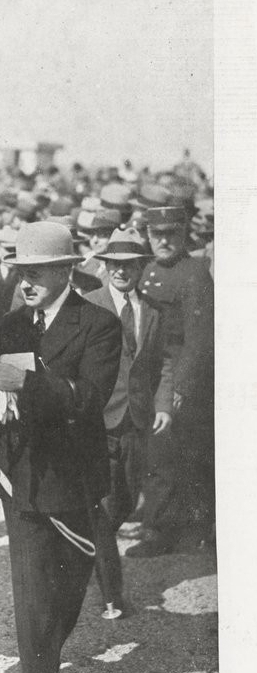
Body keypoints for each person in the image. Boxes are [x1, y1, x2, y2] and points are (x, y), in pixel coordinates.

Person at [0, 221, 121, 673]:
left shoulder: (99, 325)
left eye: (36, 272)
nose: (26, 281)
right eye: (21, 272)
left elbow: (89, 399)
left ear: (65, 271)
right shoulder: (13, 324)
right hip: (23, 478)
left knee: (67, 589)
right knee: (33, 593)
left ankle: (47, 648)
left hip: (74, 479)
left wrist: (28, 383)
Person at [83, 228, 173, 606]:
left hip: (137, 419)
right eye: (114, 266)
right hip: (96, 418)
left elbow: (163, 362)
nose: (121, 272)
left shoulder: (152, 310)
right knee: (102, 507)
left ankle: (87, 554)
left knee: (124, 502)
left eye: (129, 266)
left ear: (140, 268)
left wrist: (164, 403)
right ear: (106, 267)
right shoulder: (88, 304)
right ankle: (112, 594)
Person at [126, 205, 214, 556]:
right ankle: (164, 520)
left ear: (183, 234)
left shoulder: (194, 274)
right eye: (156, 234)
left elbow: (198, 339)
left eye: (170, 234)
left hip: (180, 378)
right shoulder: (147, 270)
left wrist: (180, 387)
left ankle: (163, 531)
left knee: (173, 456)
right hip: (152, 375)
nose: (163, 241)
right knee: (156, 454)